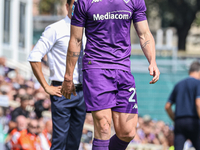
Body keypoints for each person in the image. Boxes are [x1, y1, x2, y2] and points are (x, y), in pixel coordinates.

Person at [61, 0, 160, 149]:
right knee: (103, 126)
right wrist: (68, 76)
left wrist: (152, 61)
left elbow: (144, 34)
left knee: (127, 132)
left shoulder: (134, 1)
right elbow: (76, 39)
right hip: (96, 68)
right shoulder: (83, 2)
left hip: (123, 69)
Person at [28, 0, 86, 149]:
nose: (78, 7)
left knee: (74, 142)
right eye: (74, 3)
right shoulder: (55, 29)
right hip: (62, 90)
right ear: (67, 6)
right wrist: (46, 87)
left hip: (83, 91)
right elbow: (34, 57)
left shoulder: (89, 29)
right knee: (60, 141)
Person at [165, 61, 200, 150]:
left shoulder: (178, 85)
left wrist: (175, 118)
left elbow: (167, 106)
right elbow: (198, 104)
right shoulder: (198, 83)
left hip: (179, 121)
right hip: (193, 121)